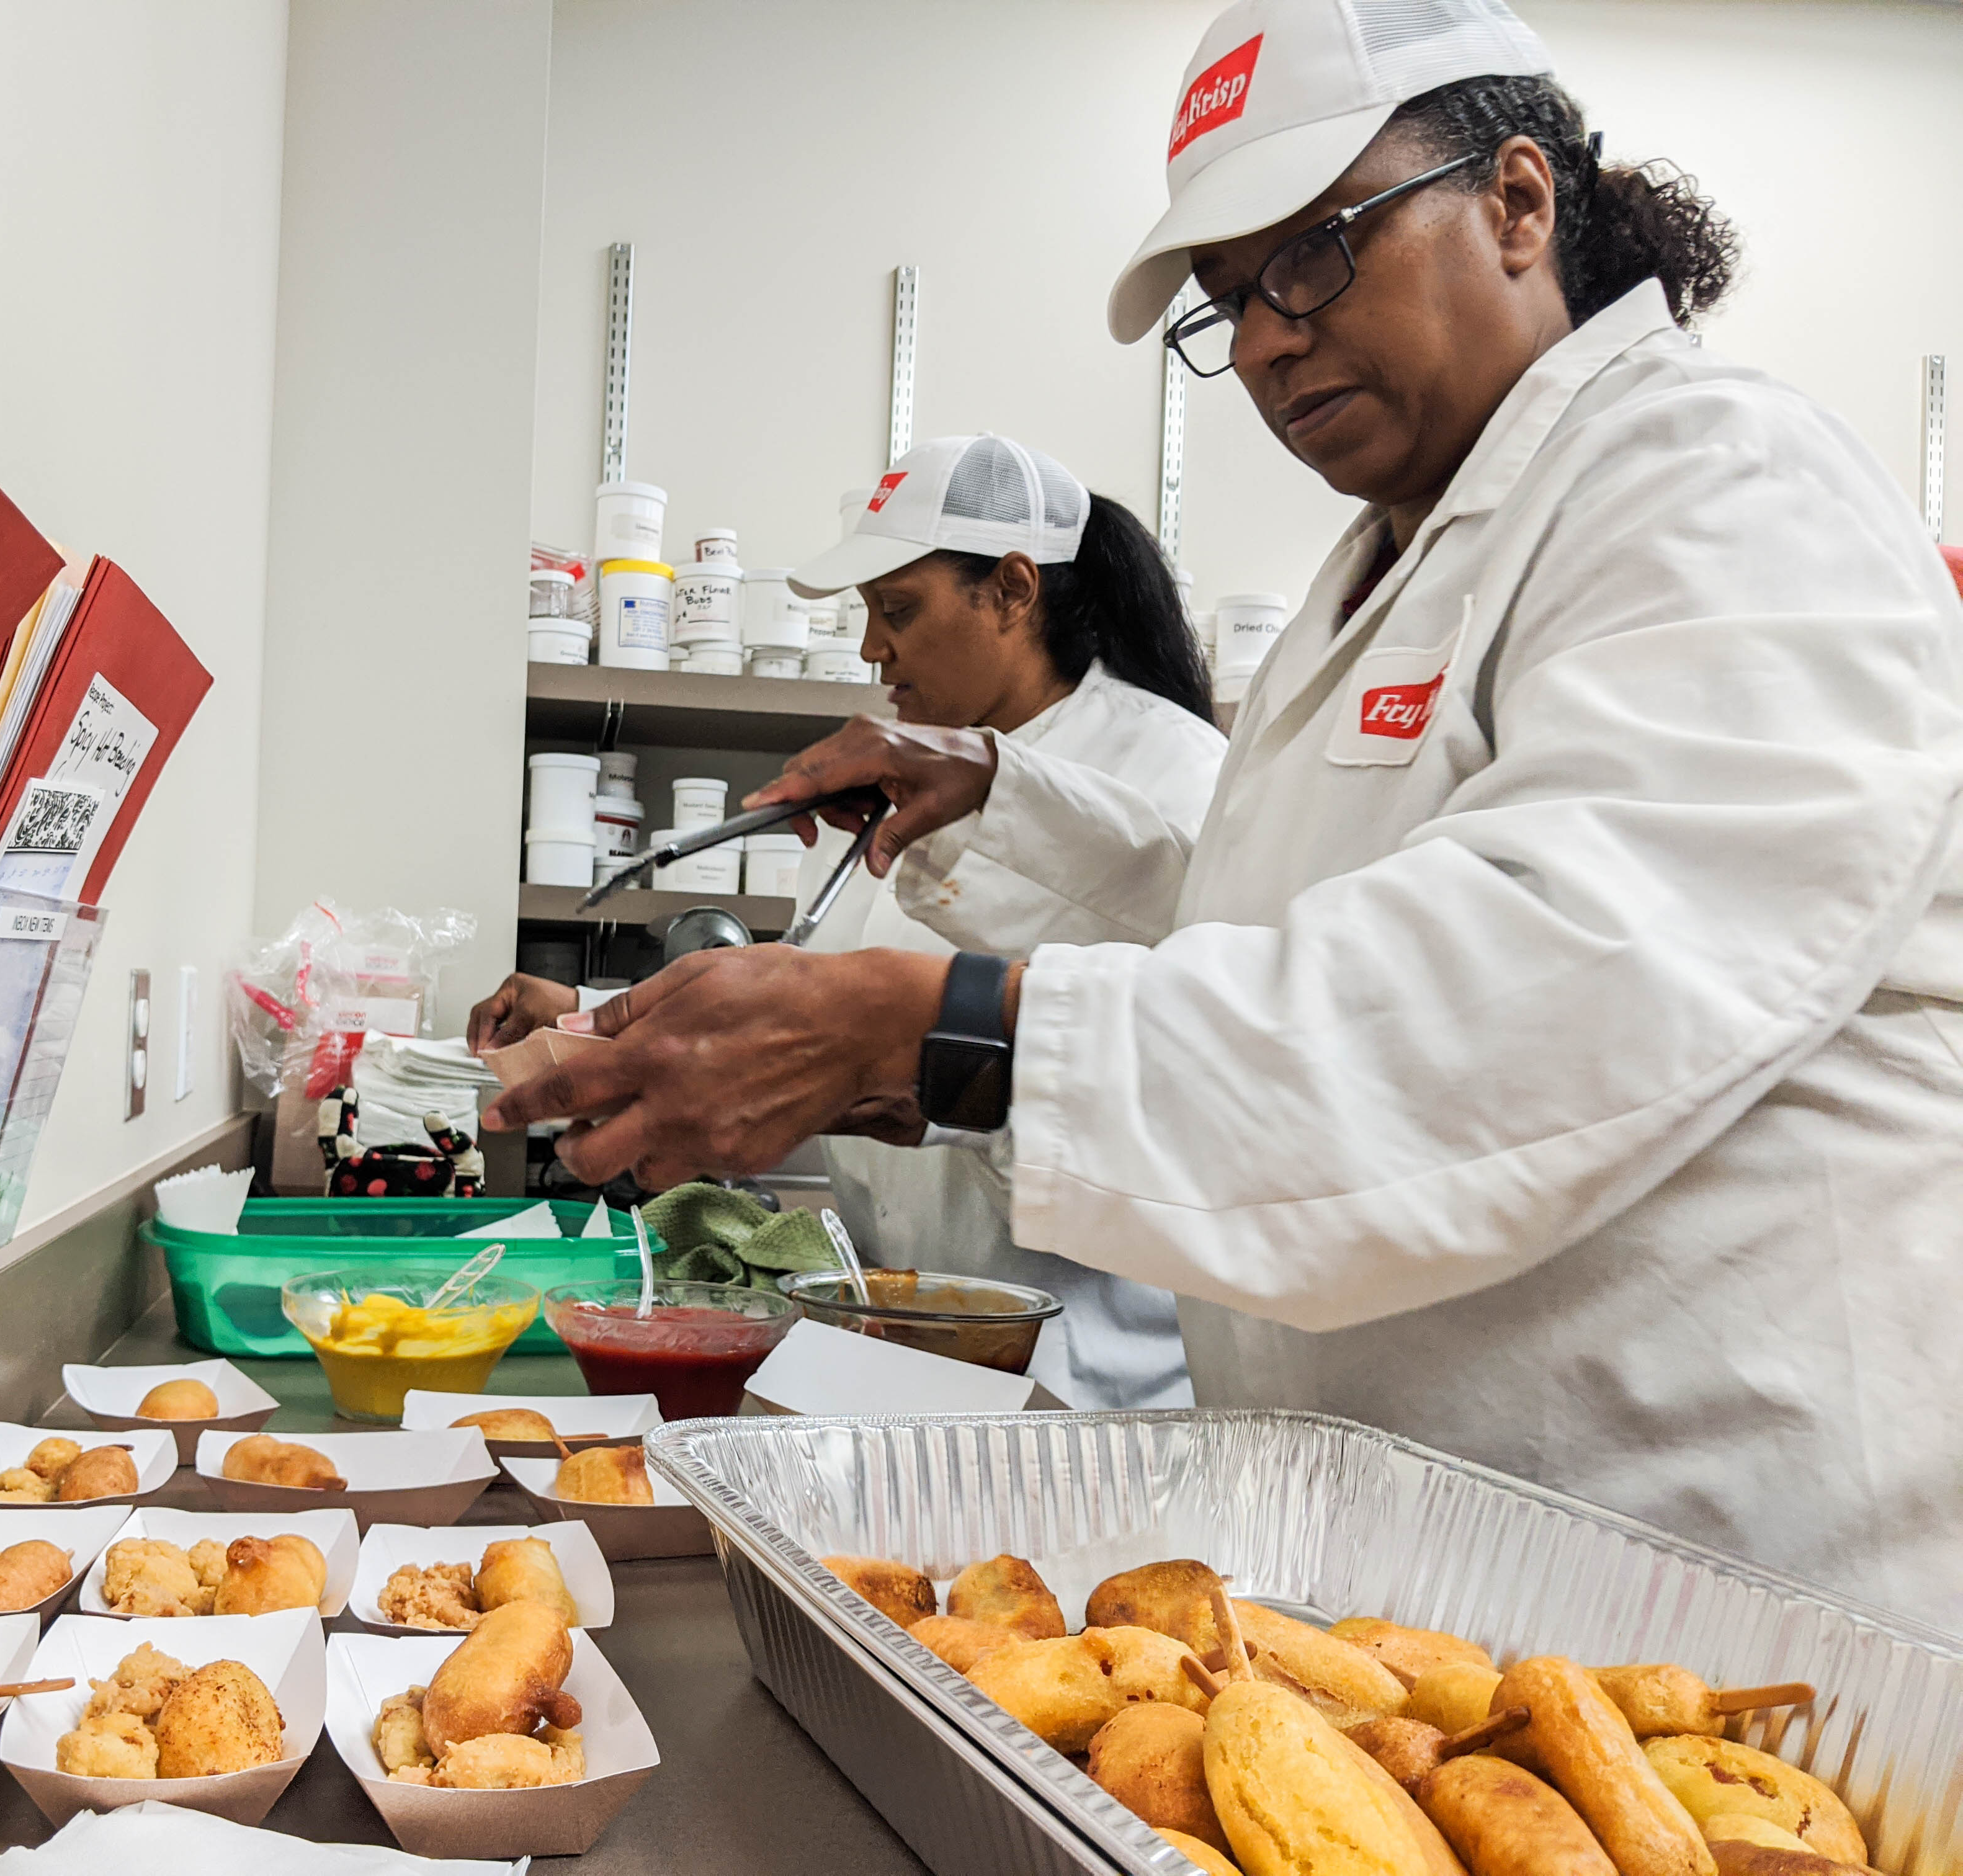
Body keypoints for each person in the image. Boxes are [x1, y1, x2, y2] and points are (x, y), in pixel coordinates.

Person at [488, 0, 1963, 1628]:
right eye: (1228, 300)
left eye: (1315, 256)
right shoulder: (1393, 564)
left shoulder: (1719, 488)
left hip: (1721, 1584)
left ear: (1521, 203)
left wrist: (943, 1035)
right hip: (1433, 1579)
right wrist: (993, 807)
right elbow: (1253, 944)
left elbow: (1534, 1003)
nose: (1265, 340)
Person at [473, 434, 1225, 1410]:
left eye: (899, 611)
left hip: (1086, 1380)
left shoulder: (1178, 776)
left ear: (1010, 589)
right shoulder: (897, 789)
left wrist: (921, 1073)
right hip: (894, 1343)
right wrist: (595, 1017)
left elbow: (1191, 1090)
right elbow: (797, 1017)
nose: (873, 648)